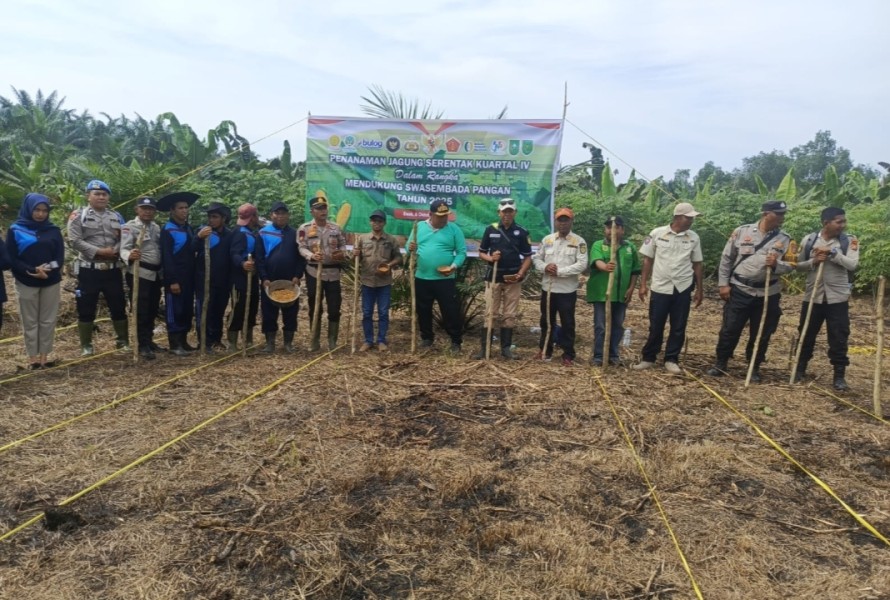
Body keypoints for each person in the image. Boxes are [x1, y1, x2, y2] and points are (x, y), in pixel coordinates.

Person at [706, 200, 793, 381]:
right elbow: (726, 259)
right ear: (765, 213)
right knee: (730, 328)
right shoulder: (741, 232)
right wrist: (723, 284)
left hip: (768, 293)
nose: (782, 218)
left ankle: (754, 365)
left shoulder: (786, 239)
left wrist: (778, 265)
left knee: (761, 332)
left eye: (783, 214)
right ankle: (721, 362)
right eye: (778, 214)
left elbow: (792, 265)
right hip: (740, 289)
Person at [793, 207, 859, 391]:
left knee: (839, 337)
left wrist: (833, 254)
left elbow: (853, 265)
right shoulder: (809, 240)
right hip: (812, 296)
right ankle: (800, 369)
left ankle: (839, 376)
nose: (842, 225)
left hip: (837, 298)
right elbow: (797, 266)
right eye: (839, 222)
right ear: (826, 223)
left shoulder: (849, 241)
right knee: (806, 334)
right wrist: (813, 261)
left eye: (843, 221)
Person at [633, 202, 704, 374]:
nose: (691, 221)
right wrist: (643, 285)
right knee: (656, 325)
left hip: (683, 287)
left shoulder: (693, 237)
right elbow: (647, 260)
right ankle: (649, 357)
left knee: (678, 326)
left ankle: (671, 359)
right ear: (678, 217)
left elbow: (698, 264)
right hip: (660, 287)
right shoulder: (657, 233)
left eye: (692, 218)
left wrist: (700, 290)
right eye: (689, 217)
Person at [67, 179, 129, 355]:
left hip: (112, 269)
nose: (101, 197)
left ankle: (122, 341)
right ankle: (86, 345)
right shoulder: (79, 215)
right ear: (89, 196)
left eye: (104, 194)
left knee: (118, 305)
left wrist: (114, 251)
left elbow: (123, 238)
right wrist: (99, 251)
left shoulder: (116, 217)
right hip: (89, 269)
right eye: (97, 194)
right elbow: (74, 240)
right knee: (86, 306)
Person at [6, 193, 65, 368]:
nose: (40, 214)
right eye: (37, 210)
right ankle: (32, 358)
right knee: (30, 320)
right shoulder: (15, 229)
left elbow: (59, 257)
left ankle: (44, 357)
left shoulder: (53, 230)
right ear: (28, 209)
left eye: (44, 210)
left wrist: (47, 269)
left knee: (48, 320)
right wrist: (32, 270)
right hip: (26, 280)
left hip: (50, 279)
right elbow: (12, 258)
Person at [474, 197, 533, 360]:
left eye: (510, 211)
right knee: (489, 313)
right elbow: (481, 252)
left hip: (513, 279)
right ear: (498, 213)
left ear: (515, 212)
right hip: (493, 278)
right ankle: (484, 350)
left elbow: (528, 257)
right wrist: (490, 258)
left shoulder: (522, 232)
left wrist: (521, 273)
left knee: (509, 314)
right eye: (504, 211)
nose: (507, 214)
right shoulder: (490, 229)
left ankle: (506, 349)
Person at [407, 199, 467, 354]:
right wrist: (411, 248)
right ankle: (427, 338)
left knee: (450, 310)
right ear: (430, 214)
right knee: (423, 310)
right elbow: (409, 249)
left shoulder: (454, 229)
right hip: (422, 278)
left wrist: (453, 267)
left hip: (445, 279)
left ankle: (455, 341)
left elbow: (461, 253)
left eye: (445, 215)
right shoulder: (418, 227)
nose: (443, 219)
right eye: (440, 216)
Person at [532, 207, 588, 366]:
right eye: (560, 220)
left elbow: (582, 264)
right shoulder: (547, 240)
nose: (562, 223)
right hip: (548, 289)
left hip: (566, 291)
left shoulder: (579, 241)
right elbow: (537, 259)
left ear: (571, 221)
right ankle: (545, 350)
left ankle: (568, 354)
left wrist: (560, 271)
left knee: (568, 322)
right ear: (555, 221)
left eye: (566, 220)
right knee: (546, 321)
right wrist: (545, 267)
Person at [586, 216, 640, 366]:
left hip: (621, 295)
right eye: (609, 228)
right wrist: (605, 267)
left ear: (622, 230)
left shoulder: (629, 247)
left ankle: (613, 355)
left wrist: (630, 288)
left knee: (617, 325)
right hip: (602, 293)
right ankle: (598, 356)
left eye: (616, 227)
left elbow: (635, 270)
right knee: (601, 326)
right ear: (605, 230)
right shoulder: (598, 245)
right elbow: (597, 262)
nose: (612, 231)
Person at [298, 190, 347, 351]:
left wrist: (341, 253)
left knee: (334, 308)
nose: (323, 211)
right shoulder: (304, 229)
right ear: (312, 211)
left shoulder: (335, 228)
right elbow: (301, 248)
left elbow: (342, 245)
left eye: (324, 208)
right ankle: (314, 339)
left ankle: (332, 341)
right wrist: (312, 256)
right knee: (315, 307)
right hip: (313, 272)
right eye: (319, 208)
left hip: (333, 273)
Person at [257, 201, 306, 353]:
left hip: (290, 280)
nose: (280, 216)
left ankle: (288, 344)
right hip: (269, 280)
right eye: (277, 213)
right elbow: (259, 258)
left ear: (288, 215)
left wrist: (297, 275)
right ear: (271, 215)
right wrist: (264, 277)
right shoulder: (264, 232)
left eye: (283, 213)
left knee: (291, 313)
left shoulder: (295, 234)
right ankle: (270, 343)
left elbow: (301, 257)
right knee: (268, 313)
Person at [120, 197, 165, 360]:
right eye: (144, 208)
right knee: (141, 309)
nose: (148, 211)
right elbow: (123, 249)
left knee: (153, 308)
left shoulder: (156, 227)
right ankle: (142, 344)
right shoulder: (129, 227)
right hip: (140, 273)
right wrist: (129, 255)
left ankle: (149, 340)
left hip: (155, 274)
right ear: (137, 209)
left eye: (151, 209)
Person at [352, 209, 403, 352]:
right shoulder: (362, 239)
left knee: (383, 312)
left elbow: (399, 258)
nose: (376, 223)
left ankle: (381, 340)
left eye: (379, 221)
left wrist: (389, 265)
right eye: (374, 220)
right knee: (367, 312)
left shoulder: (391, 240)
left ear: (384, 223)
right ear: (370, 222)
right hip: (367, 281)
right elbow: (355, 259)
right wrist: (355, 254)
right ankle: (368, 340)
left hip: (384, 282)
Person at [158, 191, 201, 356]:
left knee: (185, 309)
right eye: (181, 208)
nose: (184, 210)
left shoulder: (188, 228)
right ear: (173, 210)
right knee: (174, 309)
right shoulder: (168, 230)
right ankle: (175, 344)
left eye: (186, 207)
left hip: (189, 277)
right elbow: (167, 258)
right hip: (175, 277)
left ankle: (183, 341)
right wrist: (172, 280)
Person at [194, 202, 233, 353]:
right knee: (204, 311)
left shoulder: (230, 235)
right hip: (204, 280)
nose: (211, 220)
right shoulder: (203, 232)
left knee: (218, 310)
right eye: (210, 217)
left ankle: (216, 339)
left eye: (215, 217)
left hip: (222, 281)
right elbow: (192, 248)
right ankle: (204, 342)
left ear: (224, 218)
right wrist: (198, 237)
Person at [228, 203, 260, 350]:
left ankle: (247, 341)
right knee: (239, 307)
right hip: (239, 278)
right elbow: (234, 252)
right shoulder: (239, 232)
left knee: (252, 306)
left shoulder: (252, 232)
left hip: (252, 276)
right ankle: (232, 343)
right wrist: (242, 264)